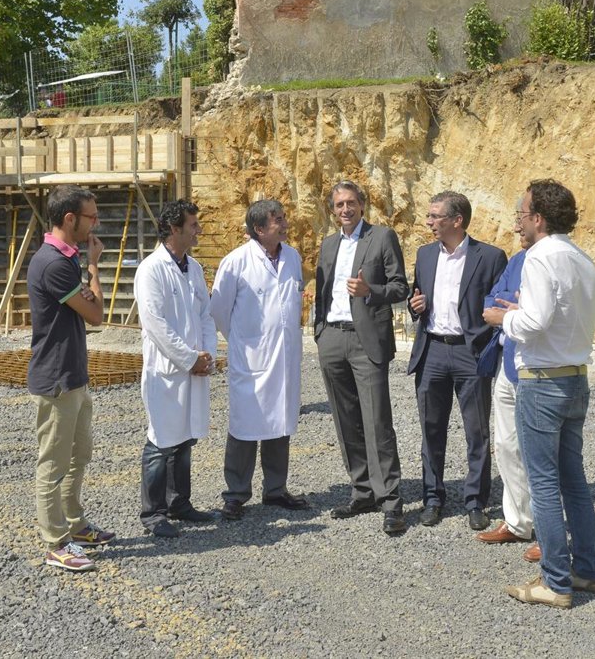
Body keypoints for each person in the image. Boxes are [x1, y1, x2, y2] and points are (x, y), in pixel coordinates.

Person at [484, 179, 595, 609]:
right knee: (574, 480)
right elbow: (562, 316)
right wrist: (524, 313)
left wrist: (502, 318)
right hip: (575, 377)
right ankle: (586, 570)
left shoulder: (538, 257)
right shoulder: (582, 259)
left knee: (544, 483)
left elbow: (533, 323)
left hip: (542, 380)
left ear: (538, 218)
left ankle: (555, 581)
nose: (518, 224)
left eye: (521, 215)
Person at [26, 185, 114, 572]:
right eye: (91, 217)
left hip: (72, 375)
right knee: (53, 463)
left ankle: (75, 525)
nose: (96, 224)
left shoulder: (63, 259)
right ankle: (56, 543)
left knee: (80, 454)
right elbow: (95, 316)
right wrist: (93, 266)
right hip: (57, 379)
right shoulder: (54, 264)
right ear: (69, 219)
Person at [313, 180, 410, 534]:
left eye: (351, 203)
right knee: (345, 419)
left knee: (377, 421)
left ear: (362, 205)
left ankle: (391, 500)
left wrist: (371, 290)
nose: (345, 209)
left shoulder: (381, 237)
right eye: (339, 204)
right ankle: (363, 490)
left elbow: (400, 286)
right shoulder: (328, 244)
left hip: (365, 339)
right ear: (332, 209)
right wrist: (320, 331)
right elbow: (322, 290)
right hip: (332, 337)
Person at [406, 191, 506, 529]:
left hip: (469, 352)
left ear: (457, 220)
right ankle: (433, 499)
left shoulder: (490, 257)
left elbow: (498, 305)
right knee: (431, 430)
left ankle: (476, 501)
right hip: (432, 350)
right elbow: (416, 297)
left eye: (435, 216)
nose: (429, 222)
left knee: (477, 432)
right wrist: (414, 307)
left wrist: (485, 343)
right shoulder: (424, 255)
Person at [211, 200, 309, 520]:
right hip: (251, 358)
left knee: (279, 422)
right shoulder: (236, 262)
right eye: (277, 220)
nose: (285, 224)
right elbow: (219, 311)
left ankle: (275, 489)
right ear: (259, 229)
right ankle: (236, 494)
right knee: (244, 427)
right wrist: (243, 340)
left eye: (283, 217)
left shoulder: (292, 257)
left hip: (284, 357)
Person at [134, 199, 218, 538]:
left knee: (185, 439)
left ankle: (179, 503)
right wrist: (188, 358)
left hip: (192, 367)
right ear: (174, 228)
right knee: (160, 441)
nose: (199, 230)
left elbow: (205, 315)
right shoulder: (151, 269)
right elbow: (155, 323)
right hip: (166, 371)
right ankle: (153, 514)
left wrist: (207, 355)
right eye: (193, 225)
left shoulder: (193, 268)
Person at [474, 213, 540, 563]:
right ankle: (517, 521)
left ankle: (550, 530)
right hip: (508, 364)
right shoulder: (516, 261)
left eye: (521, 219)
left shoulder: (553, 262)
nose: (515, 227)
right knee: (506, 445)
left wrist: (514, 311)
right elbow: (492, 301)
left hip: (537, 369)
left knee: (541, 455)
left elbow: (539, 315)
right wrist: (510, 308)